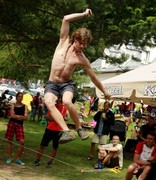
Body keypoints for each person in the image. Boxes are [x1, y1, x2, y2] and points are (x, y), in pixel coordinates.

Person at [44, 8, 110, 144]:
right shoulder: (63, 42)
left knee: (67, 101)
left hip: (66, 84)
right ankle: (66, 131)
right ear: (75, 38)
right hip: (52, 83)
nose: (82, 46)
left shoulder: (82, 58)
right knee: (48, 102)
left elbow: (93, 77)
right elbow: (66, 18)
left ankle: (79, 128)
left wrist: (104, 91)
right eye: (81, 43)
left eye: (85, 44)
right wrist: (84, 14)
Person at [34, 97, 67, 168]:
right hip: (49, 128)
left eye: (59, 98)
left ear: (61, 99)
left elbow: (60, 118)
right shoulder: (53, 107)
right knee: (42, 145)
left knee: (55, 147)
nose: (57, 100)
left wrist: (54, 118)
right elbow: (47, 117)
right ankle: (37, 160)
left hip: (58, 130)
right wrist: (55, 118)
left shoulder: (63, 107)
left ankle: (50, 162)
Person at [5, 92, 28, 166]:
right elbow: (12, 115)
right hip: (11, 124)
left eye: (21, 96)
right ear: (16, 97)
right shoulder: (13, 105)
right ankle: (9, 157)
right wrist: (21, 117)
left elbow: (26, 117)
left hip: (19, 125)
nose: (20, 98)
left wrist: (17, 116)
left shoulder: (25, 106)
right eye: (19, 96)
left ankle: (18, 159)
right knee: (9, 140)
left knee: (22, 141)